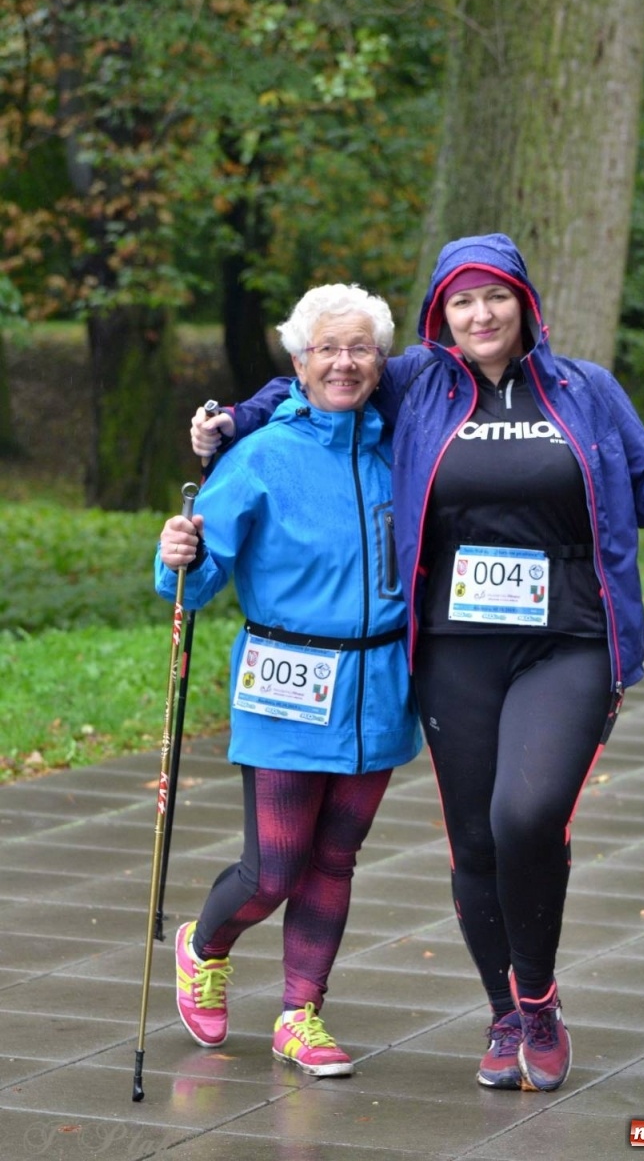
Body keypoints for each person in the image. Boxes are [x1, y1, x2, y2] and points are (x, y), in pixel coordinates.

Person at [189, 233, 644, 1093]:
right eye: (462, 301)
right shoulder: (416, 384)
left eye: (495, 297)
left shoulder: (585, 390)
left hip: (569, 641)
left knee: (524, 814)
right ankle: (503, 1015)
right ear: (441, 314)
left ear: (524, 303)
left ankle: (538, 998)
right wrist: (232, 423)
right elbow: (320, 379)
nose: (480, 314)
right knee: (473, 837)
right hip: (455, 647)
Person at [156, 283, 420, 1078]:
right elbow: (194, 586)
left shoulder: (399, 450)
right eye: (327, 350)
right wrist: (179, 558)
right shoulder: (261, 453)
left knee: (334, 859)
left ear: (380, 363)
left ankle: (300, 1014)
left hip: (378, 683)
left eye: (360, 349)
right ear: (298, 364)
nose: (344, 363)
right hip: (285, 681)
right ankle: (203, 947)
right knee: (274, 866)